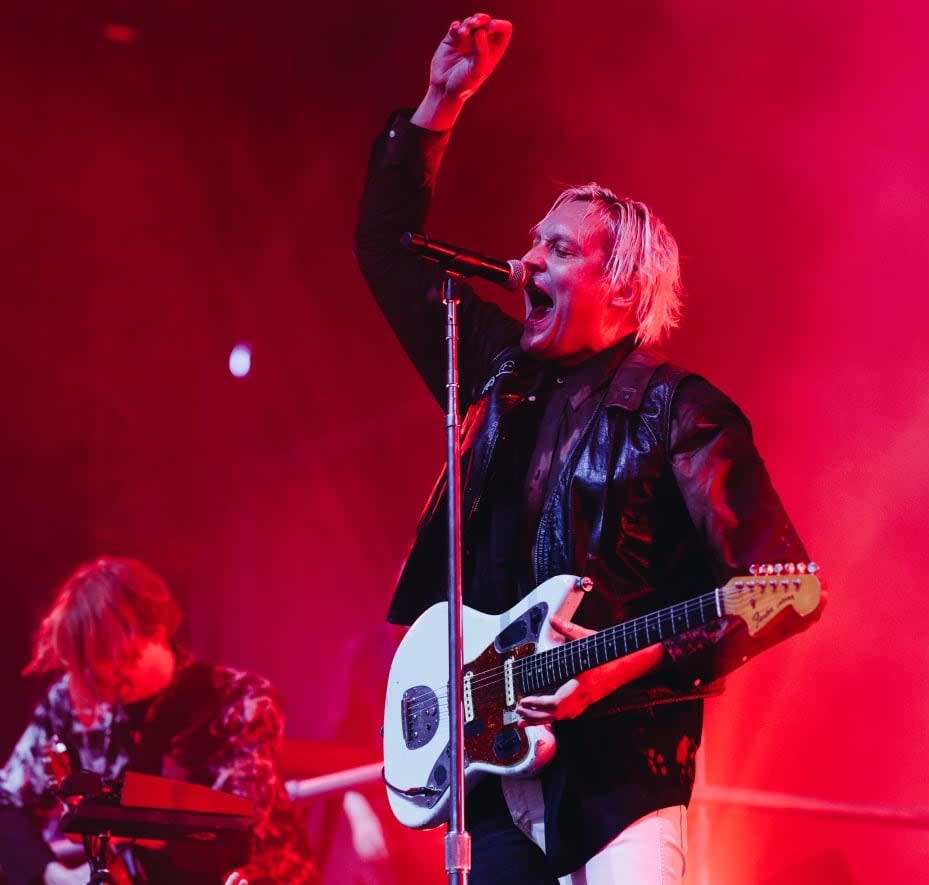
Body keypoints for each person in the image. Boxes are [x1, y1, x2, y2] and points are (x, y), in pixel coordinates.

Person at [354, 13, 825, 885]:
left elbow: (785, 593)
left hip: (621, 788)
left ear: (623, 285)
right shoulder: (495, 375)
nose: (525, 261)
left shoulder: (680, 411)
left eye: (558, 248)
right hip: (496, 780)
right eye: (533, 242)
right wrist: (438, 103)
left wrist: (610, 675)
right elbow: (385, 252)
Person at [0, 556, 321, 885]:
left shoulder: (243, 700)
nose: (95, 675)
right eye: (85, 660)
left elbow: (234, 832)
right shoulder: (71, 701)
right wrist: (54, 877)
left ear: (154, 627)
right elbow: (5, 798)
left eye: (107, 649)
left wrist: (130, 836)